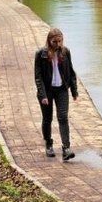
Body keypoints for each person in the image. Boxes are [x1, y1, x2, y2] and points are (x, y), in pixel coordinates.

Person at [34, 28, 78, 161]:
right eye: (55, 41)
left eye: (60, 41)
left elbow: (70, 71)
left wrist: (74, 90)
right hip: (47, 91)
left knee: (63, 117)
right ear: (49, 41)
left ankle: (66, 148)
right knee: (47, 118)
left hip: (62, 90)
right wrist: (43, 95)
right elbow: (38, 76)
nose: (58, 44)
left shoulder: (65, 52)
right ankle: (48, 144)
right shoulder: (40, 54)